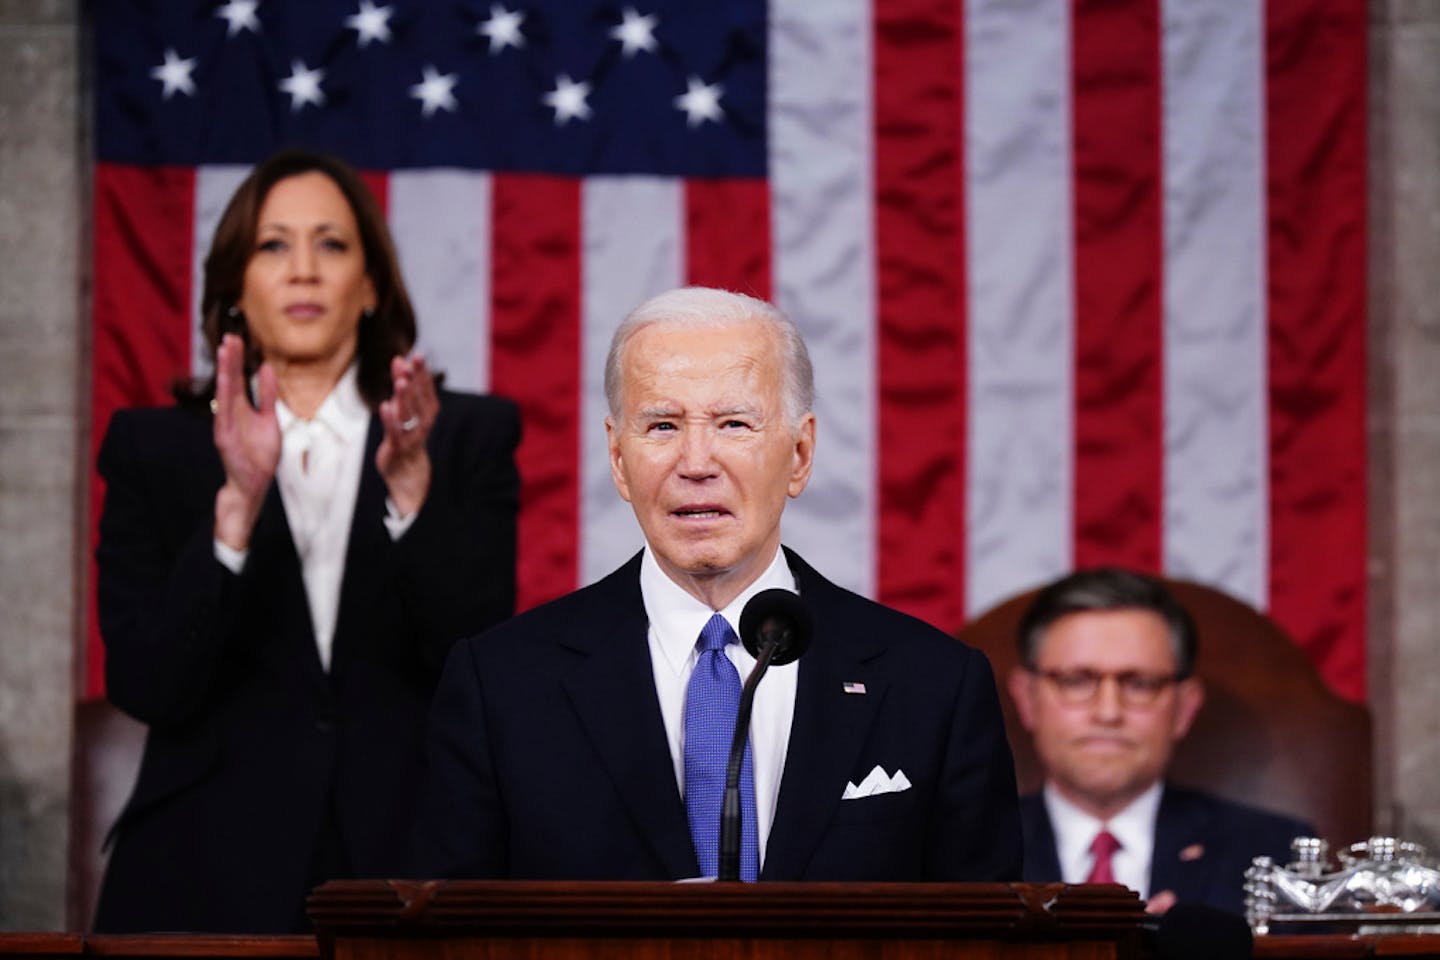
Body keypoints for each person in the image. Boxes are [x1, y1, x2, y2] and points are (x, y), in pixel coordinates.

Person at [413, 286, 1021, 882]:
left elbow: (986, 938)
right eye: (661, 427)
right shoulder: (502, 686)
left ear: (801, 454)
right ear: (620, 461)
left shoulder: (932, 684)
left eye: (733, 424)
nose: (697, 463)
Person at [92, 149, 520, 933]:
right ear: (234, 290)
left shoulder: (464, 438)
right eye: (272, 245)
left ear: (370, 285)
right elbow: (149, 685)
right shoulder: (151, 449)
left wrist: (410, 494)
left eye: (330, 244)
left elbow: (480, 668)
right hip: (200, 870)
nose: (302, 270)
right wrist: (235, 512)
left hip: (409, 865)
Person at [1007, 568, 1312, 915]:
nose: (1109, 712)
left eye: (1140, 684)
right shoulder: (963, 853)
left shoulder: (1272, 855)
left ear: (1184, 707)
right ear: (1027, 699)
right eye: (1076, 681)